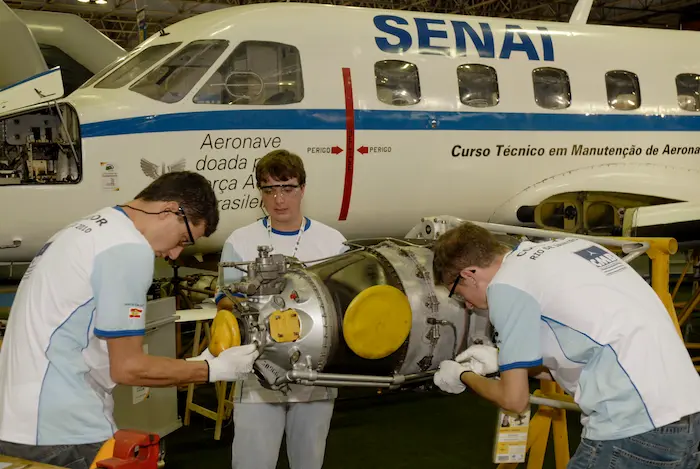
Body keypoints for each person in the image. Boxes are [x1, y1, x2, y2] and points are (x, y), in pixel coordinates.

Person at [0, 171, 259, 469]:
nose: (175, 254)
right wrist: (211, 370)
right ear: (170, 210)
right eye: (183, 239)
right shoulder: (128, 249)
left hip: (16, 423)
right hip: (65, 430)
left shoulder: (84, 230)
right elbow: (128, 368)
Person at [431, 221, 700, 469]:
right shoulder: (566, 249)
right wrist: (501, 359)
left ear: (468, 274)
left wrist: (463, 375)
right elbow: (587, 346)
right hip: (686, 413)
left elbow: (514, 400)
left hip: (633, 425)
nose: (466, 303)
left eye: (457, 292)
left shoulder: (505, 287)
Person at [214, 149, 347, 469]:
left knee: (308, 461)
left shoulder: (333, 243)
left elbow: (346, 306)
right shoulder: (242, 240)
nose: (279, 199)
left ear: (302, 189)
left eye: (287, 187)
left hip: (316, 376)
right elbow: (224, 297)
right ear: (260, 193)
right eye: (269, 189)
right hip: (257, 376)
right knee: (251, 463)